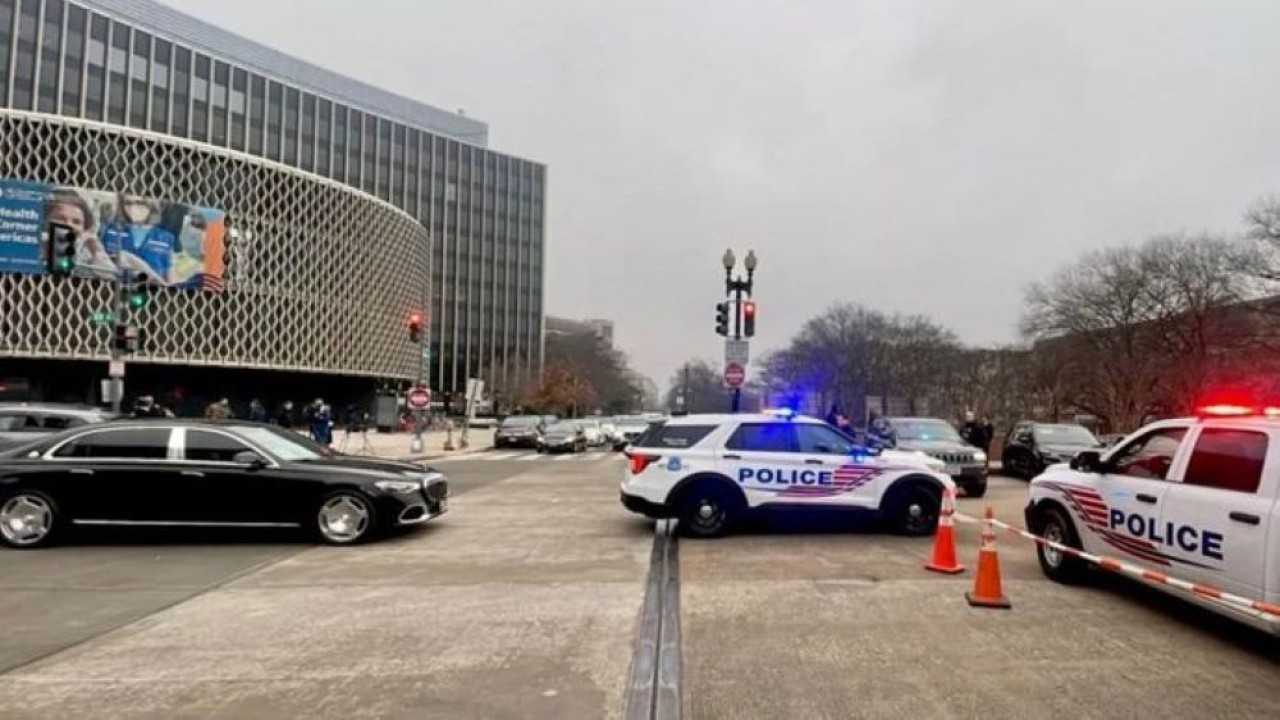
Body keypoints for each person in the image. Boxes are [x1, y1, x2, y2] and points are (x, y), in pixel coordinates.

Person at [100, 195, 178, 286]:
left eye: (140, 203)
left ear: (151, 204)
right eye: (128, 203)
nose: (133, 208)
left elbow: (169, 275)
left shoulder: (166, 238)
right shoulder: (110, 231)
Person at [45, 189, 117, 280]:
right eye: (60, 218)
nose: (68, 224)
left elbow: (110, 276)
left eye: (76, 222)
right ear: (46, 221)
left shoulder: (87, 255)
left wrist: (95, 248)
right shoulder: (35, 246)